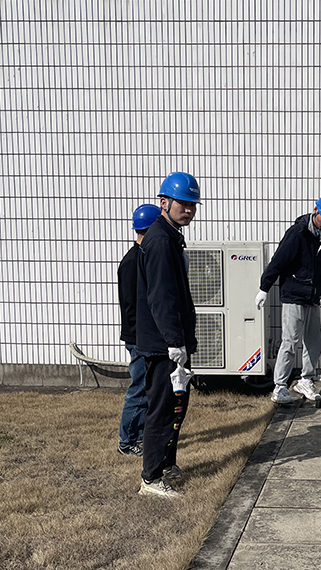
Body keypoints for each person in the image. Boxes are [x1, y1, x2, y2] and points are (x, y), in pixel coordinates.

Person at [255, 193, 321, 404]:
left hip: (312, 296)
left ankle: (306, 380)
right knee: (290, 342)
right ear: (315, 211)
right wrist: (264, 288)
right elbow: (279, 261)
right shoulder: (298, 233)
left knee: (314, 342)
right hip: (294, 294)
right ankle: (280, 387)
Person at [135, 171, 201, 498]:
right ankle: (150, 478)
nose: (188, 209)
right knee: (162, 408)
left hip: (174, 342)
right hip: (164, 345)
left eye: (192, 204)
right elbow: (161, 297)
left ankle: (166, 462)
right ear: (164, 202)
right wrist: (174, 342)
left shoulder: (171, 235)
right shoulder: (160, 241)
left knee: (178, 404)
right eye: (182, 203)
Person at [116, 203, 160, 457]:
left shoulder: (139, 257)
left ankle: (140, 434)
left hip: (141, 335)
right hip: (138, 336)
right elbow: (133, 305)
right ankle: (127, 440)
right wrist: (141, 337)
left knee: (148, 387)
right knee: (140, 387)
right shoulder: (134, 261)